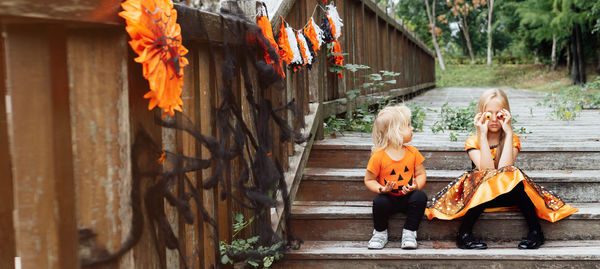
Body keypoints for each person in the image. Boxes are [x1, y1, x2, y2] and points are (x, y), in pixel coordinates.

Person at [425, 89, 578, 250]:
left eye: (499, 114)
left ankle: (536, 231)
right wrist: (483, 136)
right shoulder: (474, 141)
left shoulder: (512, 139)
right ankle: (464, 234)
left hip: (508, 195)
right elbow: (487, 170)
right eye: (489, 114)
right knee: (483, 181)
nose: (494, 119)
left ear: (506, 115)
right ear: (481, 115)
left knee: (516, 179)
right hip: (479, 198)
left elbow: (506, 169)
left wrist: (508, 131)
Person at [364, 105, 427, 249]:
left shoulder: (413, 152)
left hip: (407, 196)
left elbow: (421, 174)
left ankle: (410, 231)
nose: (412, 129)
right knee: (379, 202)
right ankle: (380, 232)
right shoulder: (378, 156)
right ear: (395, 132)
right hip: (388, 197)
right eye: (408, 125)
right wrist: (381, 189)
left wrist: (416, 185)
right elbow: (369, 179)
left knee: (420, 197)